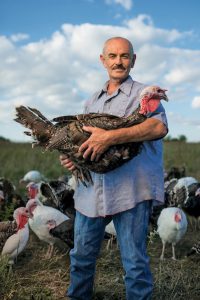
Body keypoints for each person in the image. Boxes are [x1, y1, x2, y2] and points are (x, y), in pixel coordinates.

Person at [60, 37, 168, 300]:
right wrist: (75, 158)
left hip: (129, 191)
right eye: (112, 56)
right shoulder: (91, 101)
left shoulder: (144, 95)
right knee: (81, 258)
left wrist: (109, 137)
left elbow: (158, 128)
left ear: (133, 60)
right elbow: (82, 142)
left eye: (124, 56)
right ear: (103, 60)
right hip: (90, 191)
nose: (118, 61)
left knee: (134, 264)